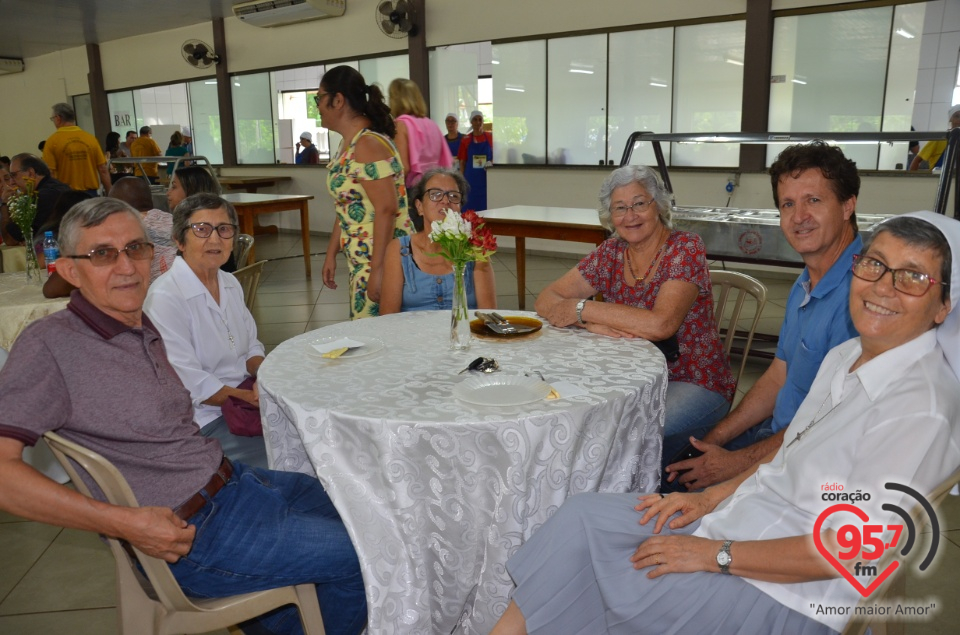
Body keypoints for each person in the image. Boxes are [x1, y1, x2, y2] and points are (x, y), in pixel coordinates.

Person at [492, 212, 960, 635]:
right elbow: (791, 449)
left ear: (942, 307)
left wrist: (716, 555)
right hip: (748, 520)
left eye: (913, 277)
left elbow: (856, 552)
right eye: (875, 265)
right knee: (580, 518)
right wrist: (708, 498)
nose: (883, 287)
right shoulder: (848, 355)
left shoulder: (920, 406)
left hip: (790, 593)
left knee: (608, 575)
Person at [0, 197, 367, 635]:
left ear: (154, 256)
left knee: (361, 506)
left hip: (233, 486)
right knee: (365, 552)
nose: (126, 266)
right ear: (70, 270)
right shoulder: (51, 346)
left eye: (135, 248)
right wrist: (125, 523)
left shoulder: (135, 322)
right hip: (189, 534)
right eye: (102, 254)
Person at [665, 141, 861, 491]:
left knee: (667, 501)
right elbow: (778, 376)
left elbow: (834, 424)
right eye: (788, 204)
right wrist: (714, 439)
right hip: (777, 435)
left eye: (813, 200)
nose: (799, 216)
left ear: (848, 206)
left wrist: (732, 465)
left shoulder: (863, 298)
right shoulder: (808, 281)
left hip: (812, 463)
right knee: (670, 466)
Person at [536, 165, 735, 468]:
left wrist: (584, 308)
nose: (630, 216)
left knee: (621, 435)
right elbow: (546, 299)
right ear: (610, 215)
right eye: (620, 208)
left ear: (659, 205)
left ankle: (628, 500)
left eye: (640, 203)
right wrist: (589, 323)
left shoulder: (685, 248)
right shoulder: (611, 252)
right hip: (630, 378)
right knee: (566, 413)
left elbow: (660, 324)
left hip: (691, 379)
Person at [144, 193, 268, 469]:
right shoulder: (165, 298)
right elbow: (191, 383)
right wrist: (251, 398)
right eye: (201, 229)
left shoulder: (229, 283)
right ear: (178, 239)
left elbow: (251, 347)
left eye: (224, 229)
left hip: (244, 402)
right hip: (204, 420)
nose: (215, 240)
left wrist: (265, 377)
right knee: (287, 459)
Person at [318, 65, 412, 319]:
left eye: (319, 98)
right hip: (363, 259)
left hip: (381, 259)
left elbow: (386, 209)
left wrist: (378, 270)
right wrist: (331, 253)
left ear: (338, 100)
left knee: (378, 341)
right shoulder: (348, 143)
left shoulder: (368, 144)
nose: (317, 106)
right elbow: (347, 203)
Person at [380, 168, 496, 314]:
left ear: (459, 207)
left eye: (454, 196)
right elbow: (387, 317)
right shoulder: (399, 249)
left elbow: (489, 315)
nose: (446, 201)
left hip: (465, 333)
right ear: (419, 206)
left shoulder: (475, 248)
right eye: (435, 194)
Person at [167, 166, 238, 273]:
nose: (168, 193)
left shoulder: (228, 281)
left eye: (174, 187)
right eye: (202, 229)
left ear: (190, 189)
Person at [388, 78, 453, 188]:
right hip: (434, 185)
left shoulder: (401, 125)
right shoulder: (432, 124)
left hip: (414, 189)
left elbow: (403, 167)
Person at [42, 103, 110, 196]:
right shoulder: (90, 138)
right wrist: (110, 192)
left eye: (52, 119)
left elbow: (50, 173)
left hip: (65, 195)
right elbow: (103, 169)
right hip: (90, 195)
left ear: (58, 118)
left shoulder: (52, 141)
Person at [2, 153, 73, 243]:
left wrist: (4, 203)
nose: (12, 182)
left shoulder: (39, 198)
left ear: (31, 173)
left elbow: (10, 240)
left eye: (14, 175)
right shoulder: (62, 187)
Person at [458, 110, 493, 211]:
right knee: (469, 209)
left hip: (486, 179)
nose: (478, 122)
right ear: (471, 122)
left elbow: (498, 156)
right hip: (471, 180)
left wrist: (491, 162)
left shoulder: (490, 137)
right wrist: (461, 181)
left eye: (480, 119)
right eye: (475, 119)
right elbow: (462, 162)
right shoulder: (466, 139)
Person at [909, 105, 960, 171]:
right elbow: (917, 160)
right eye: (957, 116)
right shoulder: (940, 139)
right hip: (937, 179)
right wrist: (913, 178)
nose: (959, 120)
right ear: (950, 119)